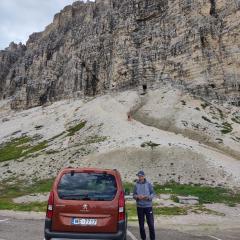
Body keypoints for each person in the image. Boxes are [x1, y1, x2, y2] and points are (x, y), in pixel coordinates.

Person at [133, 171, 155, 240]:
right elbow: (133, 195)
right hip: (140, 207)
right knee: (141, 226)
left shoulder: (148, 184)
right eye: (139, 176)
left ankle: (152, 238)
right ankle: (143, 238)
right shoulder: (136, 185)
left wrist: (148, 197)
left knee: (151, 225)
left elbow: (153, 193)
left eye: (141, 176)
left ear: (144, 176)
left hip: (148, 207)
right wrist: (137, 197)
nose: (140, 177)